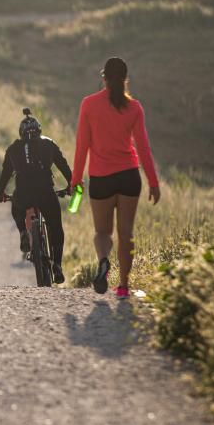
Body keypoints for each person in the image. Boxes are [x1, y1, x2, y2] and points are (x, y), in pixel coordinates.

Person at [71, 56, 160, 298]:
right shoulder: (135, 108)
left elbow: (82, 146)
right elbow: (143, 148)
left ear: (104, 78)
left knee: (102, 233)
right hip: (129, 177)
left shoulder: (88, 104)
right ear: (125, 79)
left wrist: (76, 180)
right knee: (126, 234)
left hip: (101, 178)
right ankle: (123, 286)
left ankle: (103, 262)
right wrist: (153, 182)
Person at [0, 108, 72, 284]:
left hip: (23, 193)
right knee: (55, 226)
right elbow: (64, 166)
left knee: (17, 207)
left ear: (21, 134)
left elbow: (5, 175)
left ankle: (23, 231)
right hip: (46, 192)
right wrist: (71, 185)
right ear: (39, 130)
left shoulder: (13, 149)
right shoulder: (49, 144)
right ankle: (57, 265)